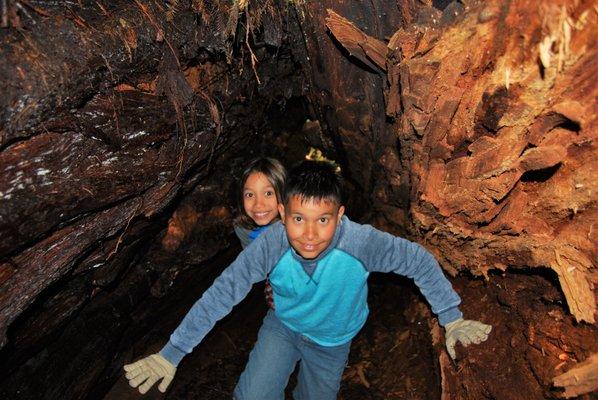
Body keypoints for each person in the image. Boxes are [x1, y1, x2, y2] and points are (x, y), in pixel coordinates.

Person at [124, 160, 492, 399]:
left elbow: (418, 261)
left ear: (340, 214)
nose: (311, 234)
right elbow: (224, 291)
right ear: (283, 214)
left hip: (332, 340)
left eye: (323, 220)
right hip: (282, 326)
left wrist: (452, 317)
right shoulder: (271, 242)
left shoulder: (361, 242)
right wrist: (172, 353)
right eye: (299, 219)